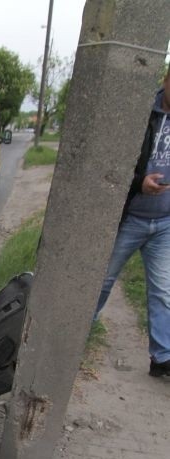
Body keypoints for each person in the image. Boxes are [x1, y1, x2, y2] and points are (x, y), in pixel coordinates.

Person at [95, 69, 170, 377]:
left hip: (164, 223)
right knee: (102, 282)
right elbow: (111, 165)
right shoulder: (141, 114)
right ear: (166, 80)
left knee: (163, 292)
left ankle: (162, 358)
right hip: (132, 218)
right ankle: (73, 339)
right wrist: (140, 183)